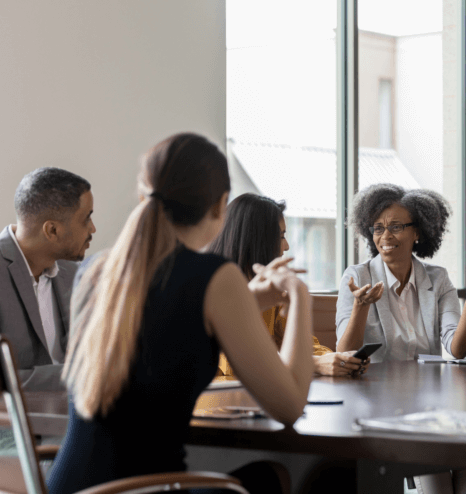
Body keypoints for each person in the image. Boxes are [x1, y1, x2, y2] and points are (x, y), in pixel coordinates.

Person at [48, 133, 314, 494]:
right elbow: (290, 405)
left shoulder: (96, 271)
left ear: (145, 194)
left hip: (69, 487)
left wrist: (250, 299)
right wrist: (298, 297)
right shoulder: (216, 277)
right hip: (147, 491)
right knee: (272, 478)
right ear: (221, 206)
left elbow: (171, 324)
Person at [335, 183, 466, 494]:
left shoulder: (437, 278)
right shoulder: (357, 277)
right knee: (438, 475)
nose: (385, 236)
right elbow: (344, 351)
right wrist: (361, 307)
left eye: (396, 227)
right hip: (381, 399)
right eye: (377, 228)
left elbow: (457, 348)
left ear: (418, 231)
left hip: (432, 396)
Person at [0, 167, 95, 391]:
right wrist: (77, 377)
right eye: (86, 219)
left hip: (75, 411)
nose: (93, 228)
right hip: (12, 421)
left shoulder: (71, 271)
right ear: (52, 230)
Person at [208, 193, 368, 377]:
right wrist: (314, 363)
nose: (287, 246)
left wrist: (339, 359)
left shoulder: (271, 289)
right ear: (257, 239)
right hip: (215, 401)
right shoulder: (214, 287)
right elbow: (235, 364)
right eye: (281, 236)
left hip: (252, 398)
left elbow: (305, 345)